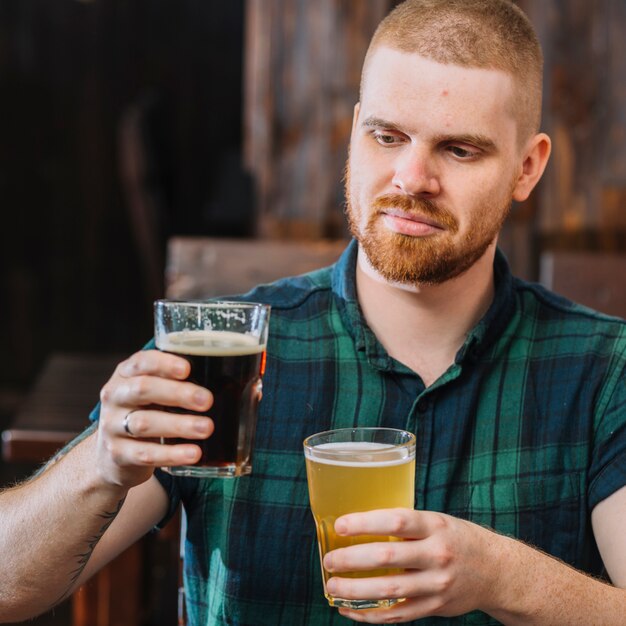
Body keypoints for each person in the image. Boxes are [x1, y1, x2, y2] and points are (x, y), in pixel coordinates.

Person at [1, 0, 625, 624]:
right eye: (387, 136)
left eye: (459, 150)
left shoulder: (603, 370)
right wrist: (103, 465)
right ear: (355, 130)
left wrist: (501, 575)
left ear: (527, 167)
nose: (411, 177)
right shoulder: (218, 350)